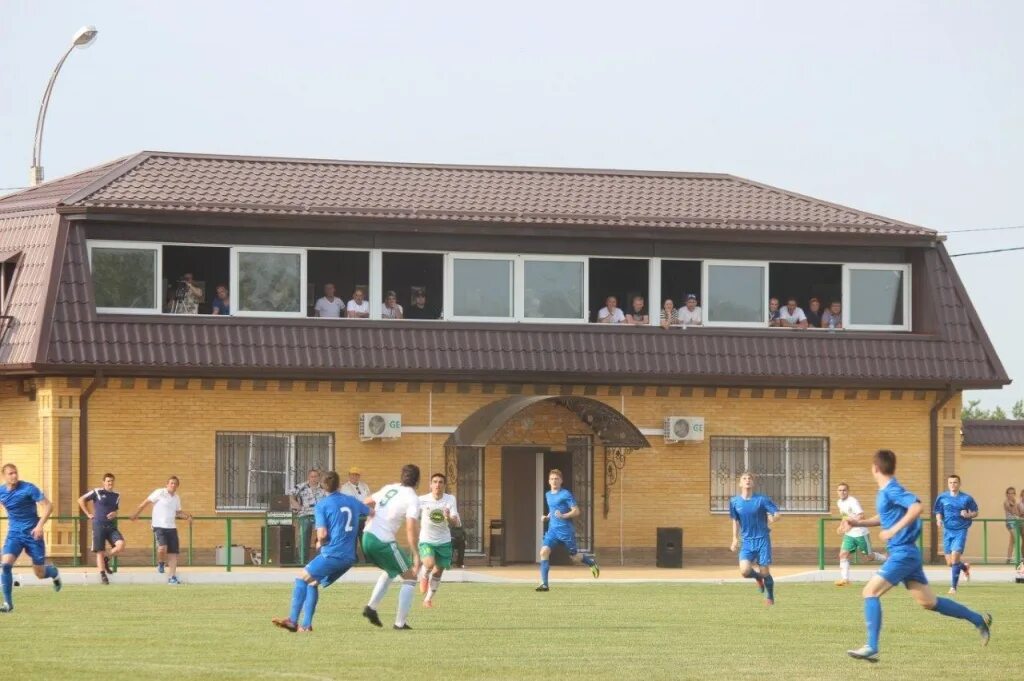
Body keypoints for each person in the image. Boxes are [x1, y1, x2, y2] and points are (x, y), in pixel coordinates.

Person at [844, 449, 991, 663]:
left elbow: (917, 507)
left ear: (875, 468)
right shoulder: (887, 491)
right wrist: (858, 523)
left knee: (870, 592)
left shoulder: (891, 489)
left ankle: (872, 646)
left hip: (902, 552)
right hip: (907, 553)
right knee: (928, 602)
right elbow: (886, 517)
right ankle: (978, 619)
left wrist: (893, 531)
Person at [272, 471, 371, 633]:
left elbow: (322, 534)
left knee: (300, 579)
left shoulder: (322, 505)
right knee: (312, 582)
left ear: (323, 487)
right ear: (340, 485)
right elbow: (371, 513)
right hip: (349, 557)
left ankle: (292, 620)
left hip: (332, 554)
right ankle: (306, 625)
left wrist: (320, 541)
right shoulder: (352, 500)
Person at [361, 464, 421, 630]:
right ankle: (400, 624)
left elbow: (366, 502)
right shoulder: (412, 498)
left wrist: (370, 515)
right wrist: (415, 553)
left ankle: (371, 608)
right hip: (382, 542)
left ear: (402, 477)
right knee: (410, 577)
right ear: (418, 481)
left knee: (390, 570)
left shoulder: (390, 487)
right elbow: (410, 528)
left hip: (367, 537)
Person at [0, 463, 61, 612]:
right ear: (4, 476)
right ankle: (8, 604)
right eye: (10, 473)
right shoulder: (1, 491)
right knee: (6, 564)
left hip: (33, 534)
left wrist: (39, 526)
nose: (14, 476)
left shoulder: (28, 488)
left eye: (15, 473)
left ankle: (53, 572)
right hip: (14, 534)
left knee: (39, 573)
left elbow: (48, 506)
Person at [535, 469, 599, 591]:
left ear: (561, 481)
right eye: (552, 479)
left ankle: (591, 563)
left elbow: (576, 511)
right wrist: (547, 517)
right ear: (549, 481)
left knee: (574, 557)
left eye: (557, 479)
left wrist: (564, 516)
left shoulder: (565, 494)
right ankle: (544, 584)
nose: (554, 481)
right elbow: (553, 509)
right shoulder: (548, 495)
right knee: (543, 552)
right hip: (552, 531)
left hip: (566, 532)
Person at [729, 471, 780, 605]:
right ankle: (758, 578)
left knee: (765, 572)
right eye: (744, 478)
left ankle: (770, 596)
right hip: (746, 541)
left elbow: (776, 513)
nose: (747, 480)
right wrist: (734, 538)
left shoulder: (761, 499)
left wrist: (774, 517)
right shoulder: (734, 501)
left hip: (762, 540)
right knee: (745, 571)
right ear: (740, 483)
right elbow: (735, 520)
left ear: (753, 483)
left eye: (750, 478)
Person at [130, 476, 192, 585]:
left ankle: (172, 577)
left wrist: (187, 517)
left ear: (177, 486)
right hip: (159, 526)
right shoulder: (159, 492)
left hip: (172, 527)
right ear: (167, 484)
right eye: (171, 483)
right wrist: (136, 514)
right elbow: (146, 502)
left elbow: (178, 512)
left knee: (173, 554)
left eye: (175, 484)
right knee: (162, 548)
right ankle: (161, 563)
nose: (173, 485)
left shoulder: (176, 498)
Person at [417, 473, 460, 607]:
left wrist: (448, 517)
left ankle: (428, 599)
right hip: (426, 539)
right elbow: (411, 514)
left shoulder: (450, 499)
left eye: (441, 482)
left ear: (444, 485)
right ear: (430, 485)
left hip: (444, 541)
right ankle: (424, 577)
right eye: (435, 482)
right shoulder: (422, 500)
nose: (437, 485)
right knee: (429, 564)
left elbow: (456, 523)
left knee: (438, 571)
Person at [834, 482, 887, 586]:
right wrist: (842, 525)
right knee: (843, 554)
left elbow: (861, 515)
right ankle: (845, 579)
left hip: (860, 533)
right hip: (849, 535)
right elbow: (845, 516)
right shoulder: (839, 502)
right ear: (837, 492)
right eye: (840, 490)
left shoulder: (853, 501)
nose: (842, 492)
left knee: (869, 557)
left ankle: (887, 558)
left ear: (848, 491)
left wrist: (851, 525)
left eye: (844, 490)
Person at [77, 473, 126, 585]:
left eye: (112, 481)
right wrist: (88, 513)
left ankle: (106, 559)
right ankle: (103, 575)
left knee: (121, 545)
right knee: (100, 551)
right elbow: (80, 500)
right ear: (103, 482)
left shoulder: (117, 495)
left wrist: (115, 513)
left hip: (111, 526)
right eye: (108, 481)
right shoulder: (97, 491)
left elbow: (115, 510)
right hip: (99, 525)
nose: (110, 483)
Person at [934, 474, 979, 594]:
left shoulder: (966, 498)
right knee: (950, 563)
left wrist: (968, 515)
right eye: (951, 482)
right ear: (948, 484)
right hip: (947, 531)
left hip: (961, 530)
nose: (953, 485)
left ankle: (953, 587)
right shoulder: (942, 497)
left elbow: (975, 512)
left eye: (955, 482)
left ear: (959, 484)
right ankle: (965, 567)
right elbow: (938, 511)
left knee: (954, 559)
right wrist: (938, 519)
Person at [291, 469, 327, 563]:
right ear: (308, 477)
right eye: (312, 476)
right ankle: (302, 560)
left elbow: (330, 498)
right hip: (305, 514)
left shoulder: (323, 487)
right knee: (304, 537)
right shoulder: (301, 486)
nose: (314, 478)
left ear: (319, 477)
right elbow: (290, 495)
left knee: (321, 537)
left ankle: (321, 559)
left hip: (319, 515)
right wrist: (296, 505)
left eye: (316, 476)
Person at [341, 467, 370, 561]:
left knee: (365, 539)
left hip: (364, 517)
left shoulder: (364, 486)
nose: (354, 476)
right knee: (352, 539)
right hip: (352, 518)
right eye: (353, 474)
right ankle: (353, 560)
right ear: (349, 475)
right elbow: (349, 503)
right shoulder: (345, 487)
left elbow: (369, 498)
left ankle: (368, 559)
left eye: (357, 475)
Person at [1003, 487, 1020, 564]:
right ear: (1006, 494)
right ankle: (1018, 558)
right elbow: (1013, 511)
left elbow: (1017, 513)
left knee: (1012, 541)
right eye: (1009, 493)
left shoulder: (1015, 502)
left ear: (1014, 494)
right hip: (1010, 523)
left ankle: (1008, 559)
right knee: (1016, 539)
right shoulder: (1006, 502)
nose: (1011, 495)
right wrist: (1015, 507)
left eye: (1012, 493)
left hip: (1015, 523)